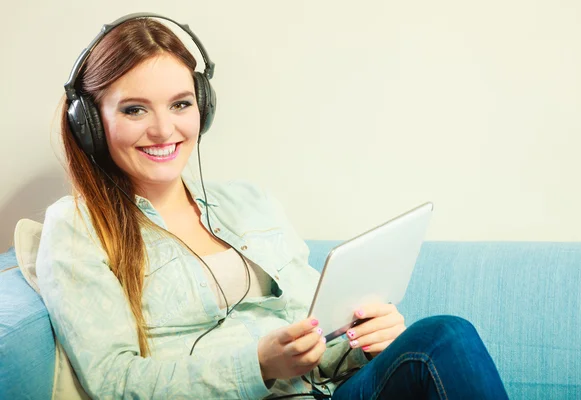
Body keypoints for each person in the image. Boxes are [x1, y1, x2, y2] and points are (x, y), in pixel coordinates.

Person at [36, 13, 509, 399]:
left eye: (180, 104)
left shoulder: (249, 203)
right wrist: (257, 365)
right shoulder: (77, 228)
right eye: (134, 109)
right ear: (90, 123)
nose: (164, 130)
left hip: (326, 393)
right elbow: (114, 383)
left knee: (440, 338)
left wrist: (367, 343)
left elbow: (318, 342)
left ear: (203, 105)